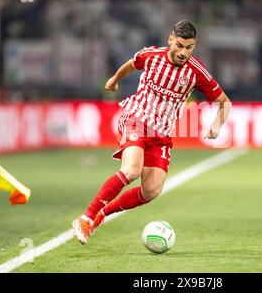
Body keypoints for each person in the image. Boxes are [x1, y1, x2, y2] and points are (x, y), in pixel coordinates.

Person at [72, 20, 232, 244]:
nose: (183, 52)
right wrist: (115, 80)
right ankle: (86, 217)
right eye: (179, 45)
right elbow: (132, 63)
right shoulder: (151, 56)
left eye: (189, 47)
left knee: (151, 191)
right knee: (131, 170)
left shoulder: (196, 72)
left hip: (162, 135)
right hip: (136, 118)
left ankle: (100, 215)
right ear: (170, 40)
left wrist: (217, 124)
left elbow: (225, 102)